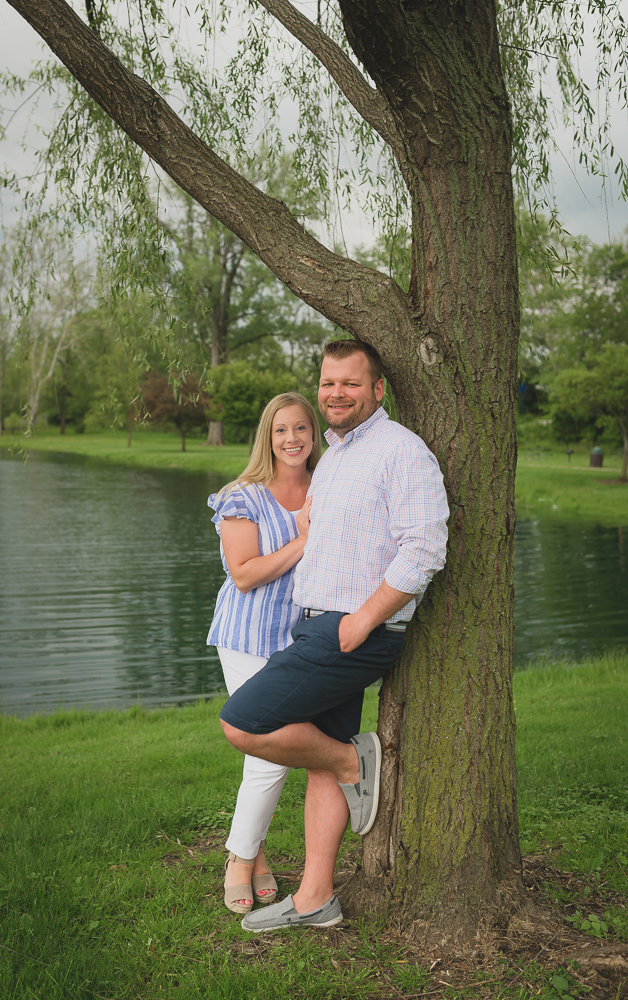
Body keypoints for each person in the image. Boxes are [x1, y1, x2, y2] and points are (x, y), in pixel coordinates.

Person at [218, 340, 449, 932]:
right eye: (328, 383)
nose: (336, 394)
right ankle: (315, 899)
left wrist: (363, 620)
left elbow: (424, 548)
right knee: (317, 762)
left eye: (350, 384)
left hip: (353, 630)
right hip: (318, 623)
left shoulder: (402, 451)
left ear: (377, 390)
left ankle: (353, 761)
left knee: (241, 724)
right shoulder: (338, 456)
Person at [207, 391, 322, 914]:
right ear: (267, 437)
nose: (292, 439)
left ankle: (252, 855)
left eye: (301, 428)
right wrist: (302, 540)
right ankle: (240, 856)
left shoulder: (328, 486)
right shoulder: (244, 495)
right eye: (281, 430)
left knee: (269, 753)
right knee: (269, 751)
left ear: (313, 433)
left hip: (304, 638)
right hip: (248, 637)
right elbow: (245, 574)